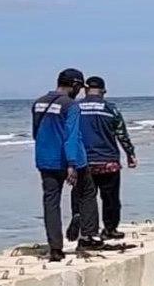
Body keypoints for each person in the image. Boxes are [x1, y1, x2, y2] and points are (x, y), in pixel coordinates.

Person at [32, 68, 101, 260]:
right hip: (72, 160)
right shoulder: (71, 105)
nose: (80, 92)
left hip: (45, 159)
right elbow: (71, 136)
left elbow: (35, 132)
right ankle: (88, 235)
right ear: (76, 85)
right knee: (87, 193)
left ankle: (55, 248)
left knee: (51, 202)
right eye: (80, 88)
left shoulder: (38, 103)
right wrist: (71, 163)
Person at [72, 75, 138, 240]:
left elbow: (68, 134)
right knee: (110, 198)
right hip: (108, 161)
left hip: (84, 161)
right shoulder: (111, 109)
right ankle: (110, 229)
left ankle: (86, 231)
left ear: (85, 90)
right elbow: (122, 134)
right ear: (103, 91)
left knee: (85, 197)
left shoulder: (75, 108)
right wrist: (130, 154)